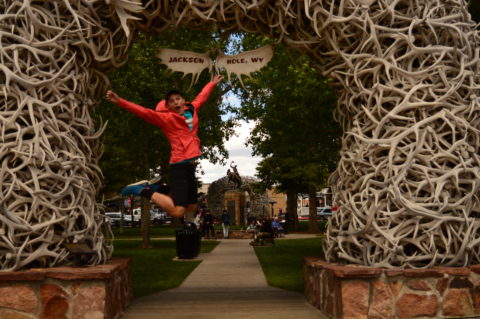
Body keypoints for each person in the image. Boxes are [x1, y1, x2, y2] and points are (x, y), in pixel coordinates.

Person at [106, 75, 224, 220]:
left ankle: (161, 188)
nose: (176, 102)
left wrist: (211, 83)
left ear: (184, 101)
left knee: (192, 207)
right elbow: (144, 112)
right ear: (168, 107)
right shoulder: (167, 119)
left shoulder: (191, 109)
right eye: (172, 101)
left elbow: (201, 97)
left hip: (190, 166)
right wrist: (120, 101)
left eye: (178, 99)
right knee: (177, 211)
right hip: (179, 165)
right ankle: (143, 190)